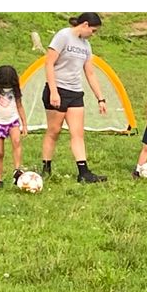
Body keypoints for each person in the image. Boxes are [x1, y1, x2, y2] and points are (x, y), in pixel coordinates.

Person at [40, 11, 108, 183]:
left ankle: (83, 173)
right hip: (58, 90)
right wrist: (54, 92)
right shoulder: (63, 36)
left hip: (75, 92)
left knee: (78, 133)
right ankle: (46, 168)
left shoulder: (86, 46)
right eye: (93, 31)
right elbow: (49, 64)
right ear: (84, 25)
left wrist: (101, 99)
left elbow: (90, 73)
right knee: (54, 131)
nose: (93, 35)